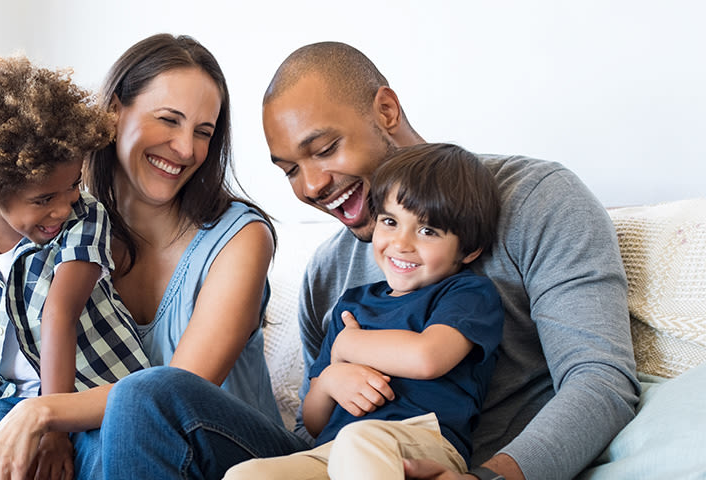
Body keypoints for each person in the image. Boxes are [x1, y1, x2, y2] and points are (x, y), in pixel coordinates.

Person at [100, 41, 640, 480]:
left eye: (324, 149)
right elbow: (316, 425)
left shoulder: (537, 199)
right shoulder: (327, 272)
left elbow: (600, 380)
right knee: (147, 396)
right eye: (289, 170)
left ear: (386, 111)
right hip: (337, 459)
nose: (312, 186)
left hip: (461, 458)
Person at [0, 34, 282, 480]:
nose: (186, 149)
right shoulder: (56, 225)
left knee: (139, 401)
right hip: (123, 445)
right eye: (168, 120)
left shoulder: (240, 237)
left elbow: (172, 396)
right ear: (113, 111)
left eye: (203, 132)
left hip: (228, 452)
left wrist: (40, 414)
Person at [0, 56, 150, 479]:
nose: (63, 208)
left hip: (94, 392)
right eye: (44, 199)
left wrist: (54, 428)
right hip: (7, 402)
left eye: (72, 185)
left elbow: (59, 314)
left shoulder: (84, 219)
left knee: (105, 455)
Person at [226, 142, 504, 479]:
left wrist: (347, 346)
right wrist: (330, 380)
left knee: (359, 441)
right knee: (247, 474)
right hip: (334, 449)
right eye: (390, 221)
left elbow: (427, 358)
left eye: (427, 231)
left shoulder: (466, 293)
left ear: (469, 249)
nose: (401, 243)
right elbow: (313, 423)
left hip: (421, 440)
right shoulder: (351, 305)